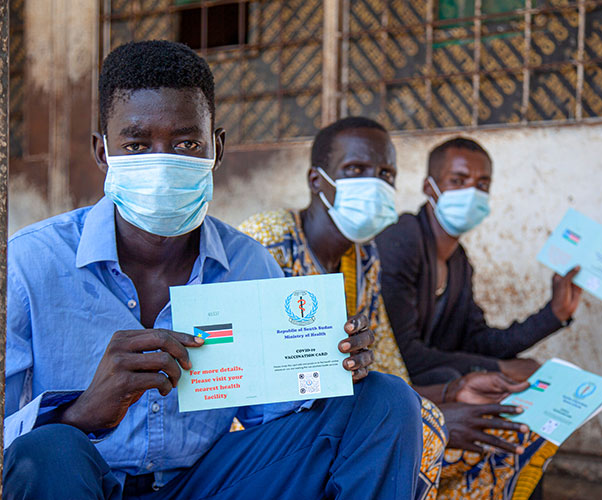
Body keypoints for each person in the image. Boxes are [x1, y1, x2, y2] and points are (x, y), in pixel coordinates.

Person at [3, 41, 424, 500]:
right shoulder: (30, 264)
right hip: (80, 484)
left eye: (186, 143)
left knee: (385, 401)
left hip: (204, 486)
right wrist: (82, 413)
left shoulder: (249, 266)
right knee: (48, 450)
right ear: (103, 152)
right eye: (137, 144)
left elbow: (281, 418)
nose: (162, 164)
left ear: (216, 148)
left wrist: (330, 368)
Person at [239, 117, 554, 500]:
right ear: (316, 180)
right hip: (271, 432)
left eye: (385, 173)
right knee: (430, 437)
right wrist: (432, 417)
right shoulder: (270, 239)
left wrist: (453, 390)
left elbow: (387, 369)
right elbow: (256, 386)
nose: (372, 183)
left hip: (350, 418)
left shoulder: (363, 257)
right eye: (355, 170)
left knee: (499, 437)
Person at [375, 137, 583, 386]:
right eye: (458, 181)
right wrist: (500, 368)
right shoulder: (402, 238)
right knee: (455, 379)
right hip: (383, 383)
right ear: (429, 187)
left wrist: (553, 314)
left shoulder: (459, 262)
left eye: (482, 185)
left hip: (418, 379)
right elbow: (404, 354)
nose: (471, 193)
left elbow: (476, 341)